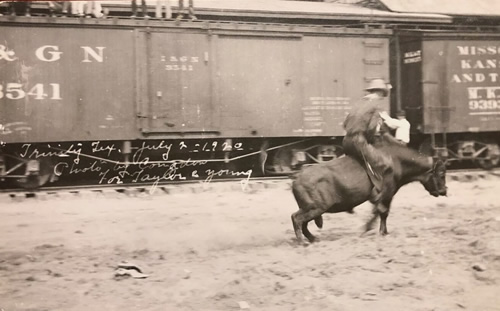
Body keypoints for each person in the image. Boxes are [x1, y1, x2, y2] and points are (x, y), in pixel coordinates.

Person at [342, 78, 394, 204]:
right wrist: (370, 140)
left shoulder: (358, 103)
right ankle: (376, 196)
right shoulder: (376, 105)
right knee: (385, 163)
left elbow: (345, 124)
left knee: (363, 165)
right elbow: (371, 128)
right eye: (383, 95)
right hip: (358, 142)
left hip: (346, 141)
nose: (382, 97)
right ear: (381, 93)